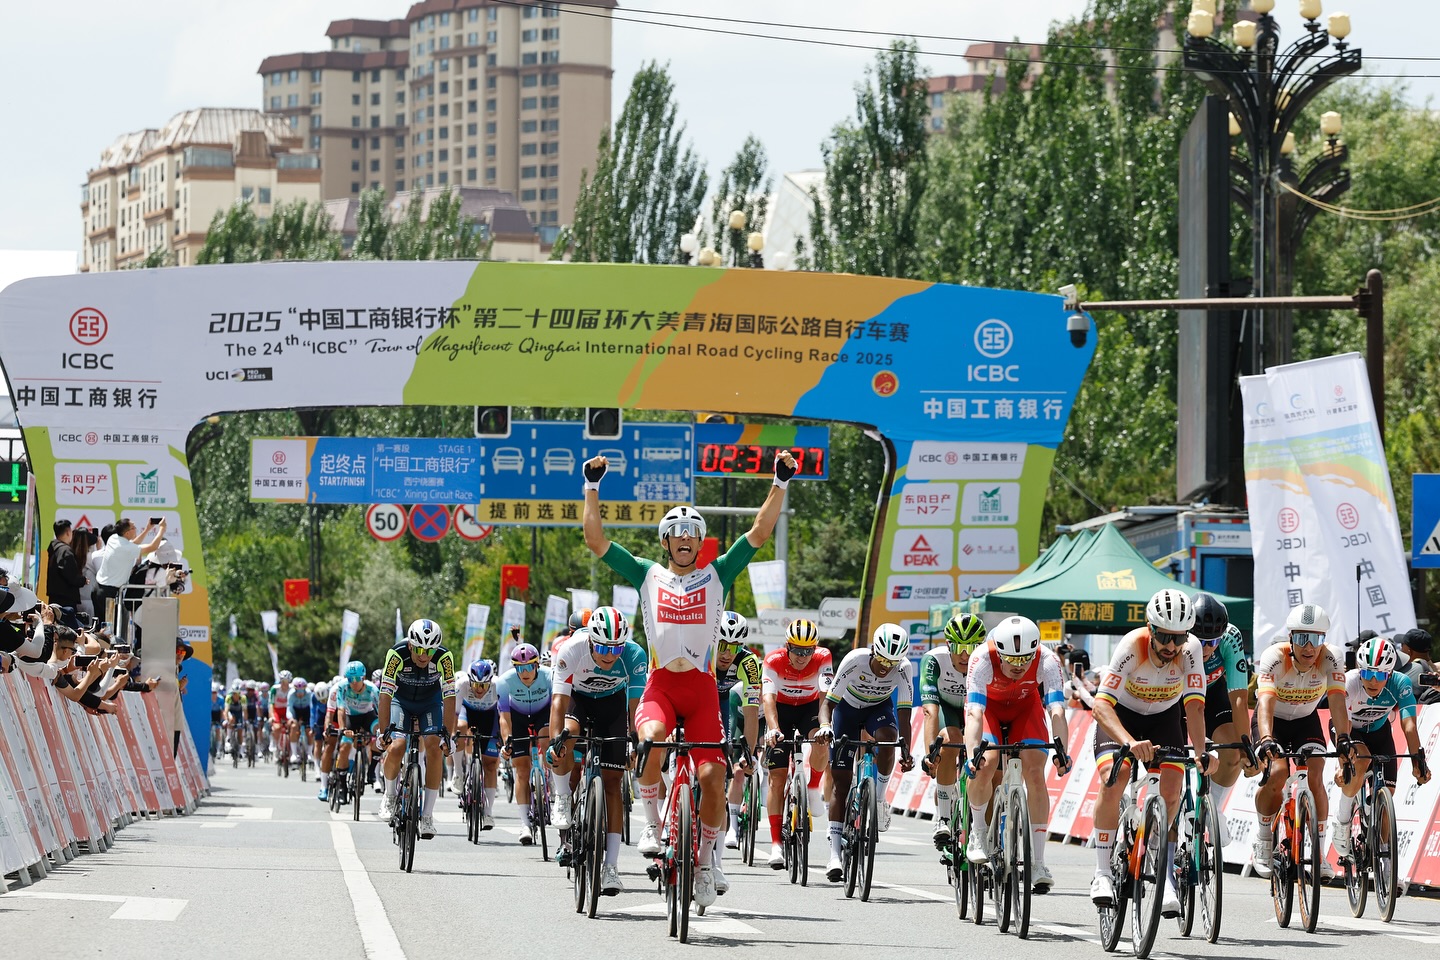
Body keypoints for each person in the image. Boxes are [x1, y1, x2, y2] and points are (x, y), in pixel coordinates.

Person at [583, 449, 795, 908]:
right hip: (661, 684)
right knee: (652, 739)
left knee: (713, 777)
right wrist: (592, 488)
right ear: (665, 541)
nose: (684, 538)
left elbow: (758, 532)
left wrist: (779, 482)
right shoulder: (646, 574)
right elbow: (596, 541)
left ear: (700, 542)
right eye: (676, 533)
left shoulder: (717, 574)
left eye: (692, 533)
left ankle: (704, 864)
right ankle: (653, 825)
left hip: (700, 690)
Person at [1089, 589, 1210, 914]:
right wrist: (1128, 742)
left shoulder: (1191, 650)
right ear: (1150, 629)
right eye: (1164, 637)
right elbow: (1101, 706)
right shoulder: (1132, 645)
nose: (1171, 646)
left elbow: (1195, 708)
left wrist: (1199, 753)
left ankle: (1163, 872)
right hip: (1121, 717)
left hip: (1164, 717)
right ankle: (1101, 872)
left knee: (1172, 790)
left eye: (1178, 638)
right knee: (1115, 777)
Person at [963, 615, 1070, 894]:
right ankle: (977, 834)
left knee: (1035, 771)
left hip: (1025, 709)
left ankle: (1037, 862)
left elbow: (1056, 710)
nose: (1018, 666)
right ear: (998, 652)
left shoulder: (1047, 660)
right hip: (990, 711)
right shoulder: (982, 659)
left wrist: (1062, 751)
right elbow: (974, 712)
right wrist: (971, 753)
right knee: (986, 763)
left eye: (1025, 659)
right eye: (1011, 659)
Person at [545, 606, 647, 895]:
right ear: (590, 639)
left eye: (616, 648)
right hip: (578, 700)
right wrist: (555, 741)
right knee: (568, 736)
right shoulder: (571, 649)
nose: (609, 654)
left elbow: (635, 707)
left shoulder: (634, 655)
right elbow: (558, 703)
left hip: (613, 706)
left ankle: (611, 867)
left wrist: (635, 742)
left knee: (613, 784)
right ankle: (563, 798)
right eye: (602, 646)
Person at [1252, 602, 1354, 881]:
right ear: (1291, 639)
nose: (1309, 647)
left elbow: (1336, 701)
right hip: (1272, 721)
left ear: (1324, 640)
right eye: (1301, 639)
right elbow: (1265, 703)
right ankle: (1263, 841)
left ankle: (1319, 855)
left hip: (1305, 720)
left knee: (1316, 774)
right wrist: (1266, 739)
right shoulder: (1274, 656)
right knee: (1279, 772)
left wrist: (1343, 739)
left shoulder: (1331, 658)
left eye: (1316, 639)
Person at [818, 622, 915, 882]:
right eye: (882, 659)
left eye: (892, 662)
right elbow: (828, 703)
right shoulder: (854, 660)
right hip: (846, 711)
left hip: (877, 709)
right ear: (873, 651)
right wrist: (826, 727)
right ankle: (835, 854)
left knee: (889, 738)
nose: (886, 667)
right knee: (841, 781)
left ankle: (880, 800)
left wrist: (906, 747)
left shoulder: (904, 668)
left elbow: (905, 712)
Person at [1331, 636, 1433, 857]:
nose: (1373, 681)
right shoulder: (1350, 682)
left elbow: (1408, 726)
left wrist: (1419, 762)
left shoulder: (1401, 683)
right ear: (1360, 671)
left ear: (1390, 674)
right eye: (1367, 673)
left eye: (1380, 675)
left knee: (1388, 792)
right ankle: (1342, 818)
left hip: (1379, 732)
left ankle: (1385, 861)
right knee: (1362, 761)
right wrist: (1343, 763)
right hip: (1349, 731)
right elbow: (1345, 724)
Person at [760, 617, 834, 869]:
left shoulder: (823, 656)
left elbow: (825, 694)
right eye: (797, 650)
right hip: (781, 709)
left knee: (821, 741)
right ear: (787, 646)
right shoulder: (773, 660)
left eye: (807, 650)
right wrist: (773, 730)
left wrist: (826, 725)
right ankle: (775, 844)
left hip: (809, 708)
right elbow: (768, 699)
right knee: (777, 777)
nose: (802, 656)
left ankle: (813, 787)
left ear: (814, 648)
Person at [377, 619, 457, 841]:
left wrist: (447, 735)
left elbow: (450, 696)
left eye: (430, 650)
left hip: (430, 703)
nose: (424, 655)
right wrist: (384, 732)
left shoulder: (444, 657)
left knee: (434, 747)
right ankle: (390, 794)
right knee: (397, 746)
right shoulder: (396, 654)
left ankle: (428, 815)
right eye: (420, 649)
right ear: (411, 645)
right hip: (400, 701)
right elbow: (384, 695)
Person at [919, 613, 985, 847]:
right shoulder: (934, 660)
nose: (966, 654)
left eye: (972, 647)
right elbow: (930, 711)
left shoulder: (986, 661)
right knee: (951, 739)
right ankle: (943, 817)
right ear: (949, 644)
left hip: (976, 710)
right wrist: (931, 752)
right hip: (947, 709)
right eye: (959, 647)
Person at [1189, 595, 1252, 828]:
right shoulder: (1176, 637)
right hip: (1175, 697)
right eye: (1200, 641)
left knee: (1234, 752)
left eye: (1213, 642)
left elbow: (1239, 698)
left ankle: (1212, 810)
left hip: (1212, 695)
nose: (1207, 648)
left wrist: (1247, 746)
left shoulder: (1231, 637)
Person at [714, 611, 763, 852]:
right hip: (701, 697)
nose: (726, 653)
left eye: (733, 647)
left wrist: (749, 754)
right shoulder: (702, 650)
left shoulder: (749, 663)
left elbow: (751, 711)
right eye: (722, 645)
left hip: (727, 700)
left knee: (727, 752)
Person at [496, 641, 553, 844]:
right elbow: (504, 717)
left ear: (537, 665)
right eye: (520, 668)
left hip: (542, 712)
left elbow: (557, 707)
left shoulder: (549, 676)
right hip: (518, 716)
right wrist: (507, 742)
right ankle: (524, 824)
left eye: (529, 666)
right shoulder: (504, 682)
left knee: (546, 743)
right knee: (521, 769)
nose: (525, 672)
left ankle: (552, 783)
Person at [453, 659, 501, 830]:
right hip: (468, 711)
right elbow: (454, 713)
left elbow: (504, 716)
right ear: (469, 680)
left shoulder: (498, 685)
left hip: (490, 716)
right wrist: (453, 737)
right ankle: (458, 773)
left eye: (484, 685)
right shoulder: (461, 684)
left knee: (490, 764)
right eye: (476, 685)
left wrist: (501, 738)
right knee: (459, 729)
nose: (479, 690)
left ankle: (488, 813)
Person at [94, 518, 165, 618]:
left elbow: (133, 544)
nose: (136, 529)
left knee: (103, 627)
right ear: (127, 533)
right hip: (108, 594)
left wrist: (147, 529)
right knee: (107, 629)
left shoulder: (114, 538)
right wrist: (162, 529)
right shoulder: (125, 548)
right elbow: (153, 547)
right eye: (133, 527)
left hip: (100, 589)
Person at [332, 661, 380, 800]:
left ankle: (371, 771)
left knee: (379, 734)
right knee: (344, 747)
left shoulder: (372, 690)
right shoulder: (343, 687)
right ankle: (343, 787)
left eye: (356, 679)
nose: (353, 682)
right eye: (350, 679)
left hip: (368, 717)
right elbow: (340, 710)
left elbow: (382, 712)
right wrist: (342, 729)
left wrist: (382, 731)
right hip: (350, 718)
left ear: (363, 678)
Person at [45, 519, 87, 624]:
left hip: (55, 596)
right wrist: (82, 580)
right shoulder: (65, 551)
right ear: (68, 532)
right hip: (66, 599)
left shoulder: (54, 549)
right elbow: (70, 575)